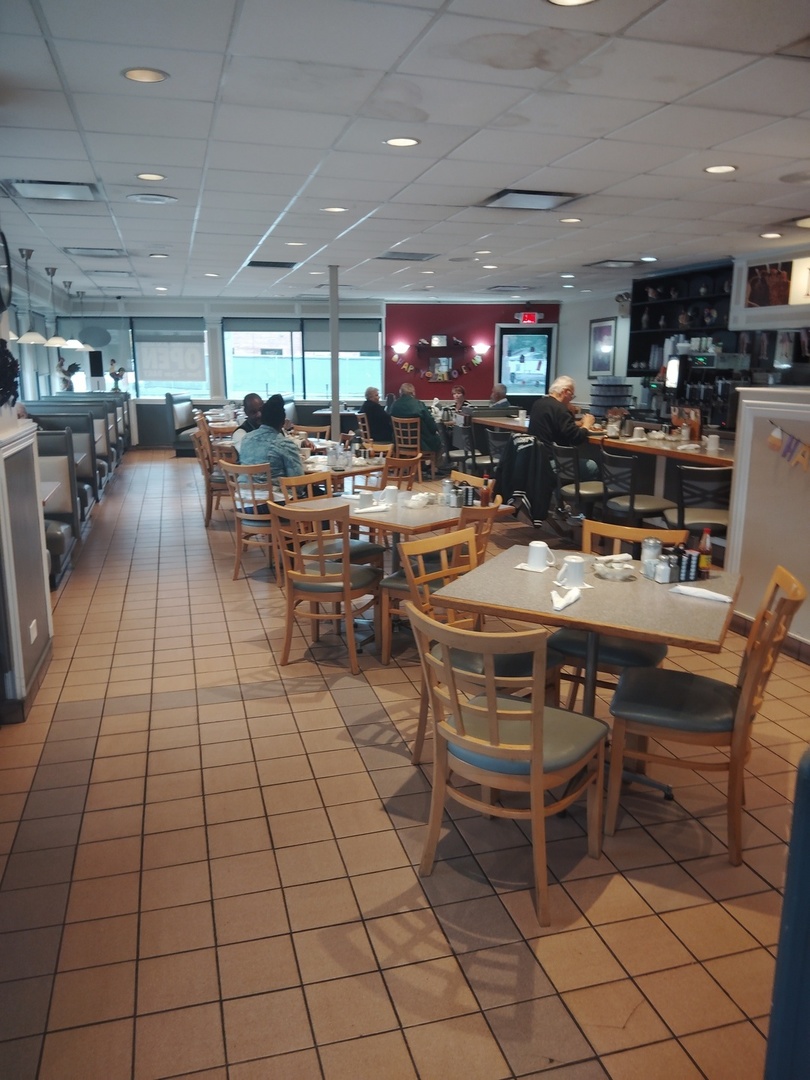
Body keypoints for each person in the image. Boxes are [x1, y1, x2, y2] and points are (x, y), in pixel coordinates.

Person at [528, 375, 598, 479]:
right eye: (572, 395)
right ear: (566, 391)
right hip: (551, 463)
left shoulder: (538, 403)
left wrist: (578, 424)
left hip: (534, 460)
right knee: (593, 466)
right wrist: (587, 425)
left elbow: (555, 425)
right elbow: (575, 438)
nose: (571, 399)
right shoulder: (560, 408)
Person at [238, 393, 303, 500]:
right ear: (283, 423)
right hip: (273, 505)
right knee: (319, 495)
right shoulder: (284, 444)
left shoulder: (246, 439)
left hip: (243, 502)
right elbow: (298, 483)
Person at [389, 382, 443, 468]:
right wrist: (435, 430)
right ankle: (435, 468)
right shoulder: (419, 404)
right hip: (421, 443)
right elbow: (431, 425)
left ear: (400, 392)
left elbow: (390, 424)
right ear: (413, 393)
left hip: (399, 443)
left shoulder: (394, 405)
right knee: (439, 441)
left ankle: (418, 467)